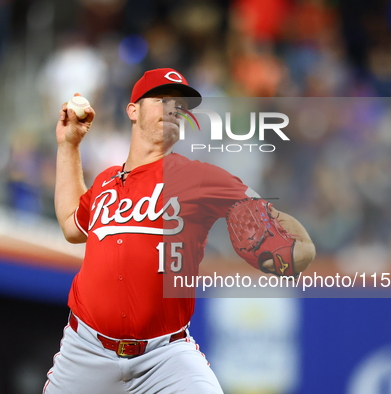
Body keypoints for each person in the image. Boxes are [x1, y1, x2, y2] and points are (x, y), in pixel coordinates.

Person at [44, 68, 315, 393]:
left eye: (180, 106)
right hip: (85, 352)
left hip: (165, 357)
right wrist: (69, 145)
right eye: (162, 100)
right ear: (133, 110)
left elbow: (280, 231)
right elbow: (71, 225)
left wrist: (300, 249)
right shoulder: (106, 181)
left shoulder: (200, 178)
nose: (173, 110)